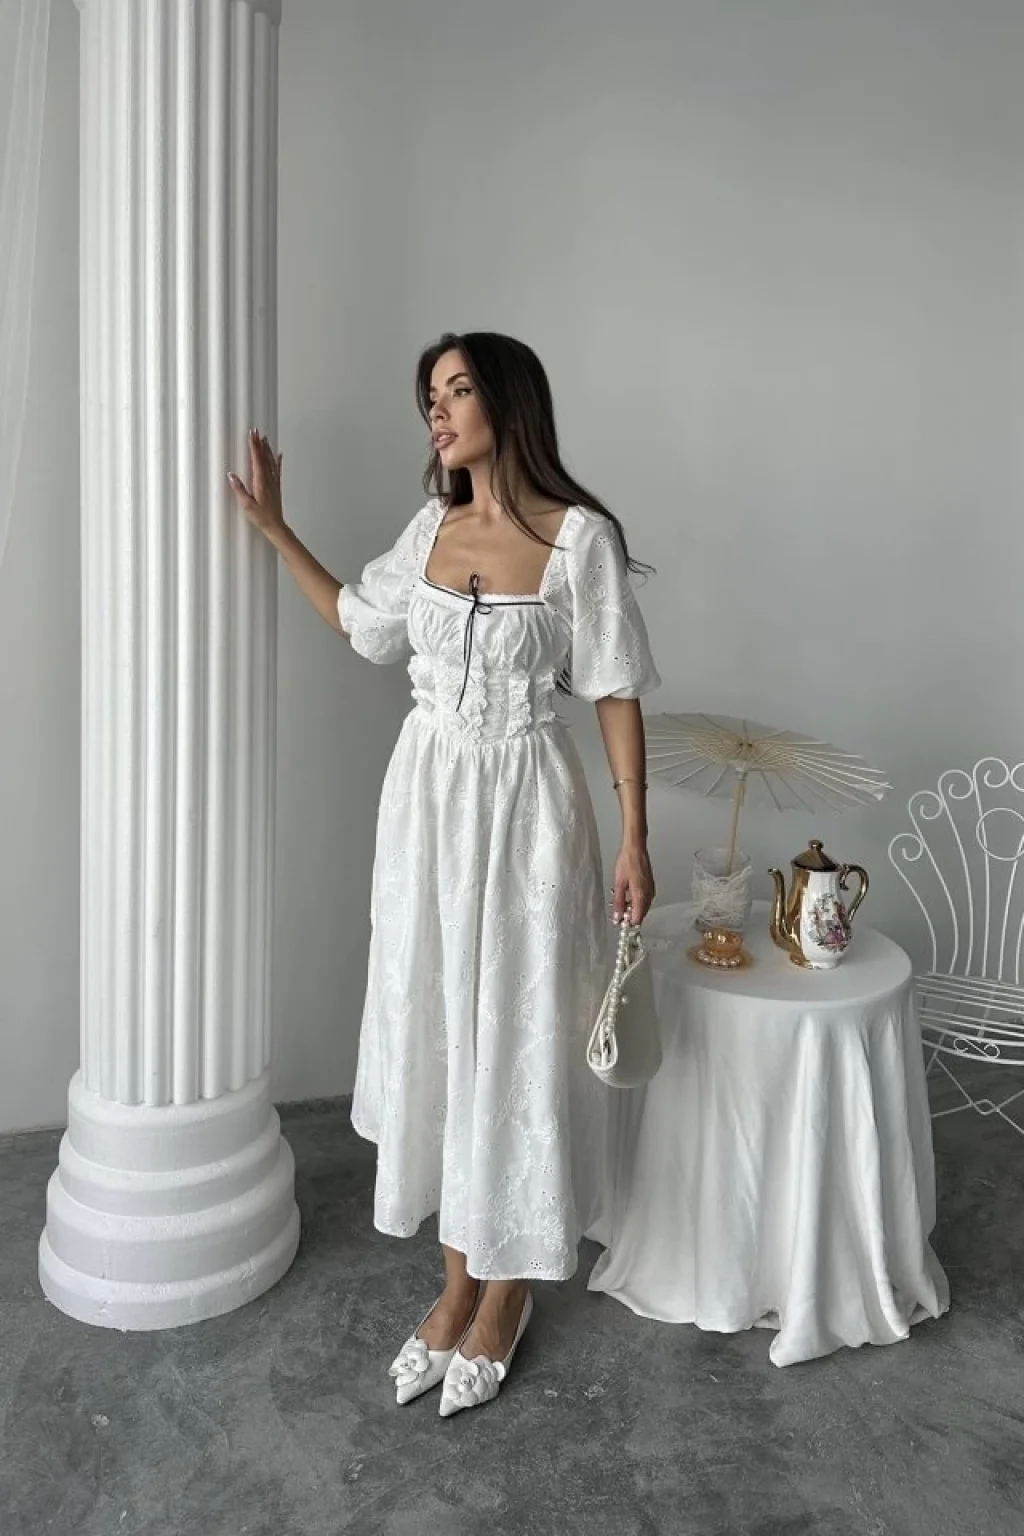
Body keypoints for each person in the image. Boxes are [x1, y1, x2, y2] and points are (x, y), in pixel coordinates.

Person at [227, 331, 661, 1418]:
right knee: (446, 1030)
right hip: (426, 812)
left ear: (509, 402)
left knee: (516, 1034)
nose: (438, 408)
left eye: (458, 389)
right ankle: (456, 1280)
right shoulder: (429, 529)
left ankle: (506, 1292)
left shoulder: (578, 540)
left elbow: (613, 688)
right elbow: (360, 623)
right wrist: (277, 529)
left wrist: (634, 837)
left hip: (528, 815)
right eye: (430, 393)